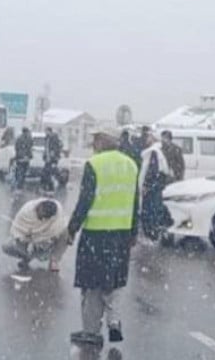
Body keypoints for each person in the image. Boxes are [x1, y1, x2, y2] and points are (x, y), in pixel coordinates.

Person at [67, 131, 139, 348]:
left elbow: (85, 199)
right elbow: (136, 201)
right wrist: (134, 231)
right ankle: (114, 320)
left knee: (92, 284)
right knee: (113, 280)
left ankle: (91, 331)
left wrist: (72, 227)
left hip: (96, 234)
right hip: (122, 234)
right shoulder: (131, 165)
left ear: (98, 144)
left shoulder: (94, 164)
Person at [2, 198, 68, 272]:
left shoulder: (58, 213)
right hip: (28, 240)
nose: (43, 219)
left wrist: (45, 239)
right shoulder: (27, 211)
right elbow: (18, 229)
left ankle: (54, 260)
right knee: (6, 246)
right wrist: (29, 239)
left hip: (46, 244)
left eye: (46, 218)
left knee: (65, 233)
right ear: (39, 207)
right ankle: (27, 257)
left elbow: (61, 226)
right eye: (42, 216)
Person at [138, 136, 175, 240]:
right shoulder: (157, 151)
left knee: (150, 211)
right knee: (155, 209)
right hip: (156, 187)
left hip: (152, 188)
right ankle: (159, 232)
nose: (146, 139)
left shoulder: (153, 152)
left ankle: (152, 235)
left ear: (153, 140)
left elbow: (153, 170)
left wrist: (147, 185)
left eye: (148, 137)